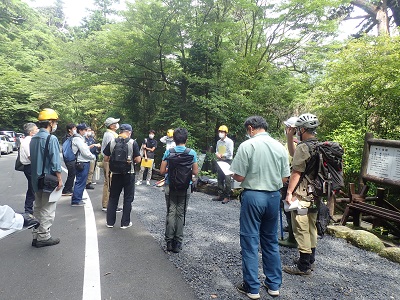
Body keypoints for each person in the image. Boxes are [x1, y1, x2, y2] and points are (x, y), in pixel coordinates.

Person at [230, 116, 290, 299]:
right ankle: (273, 285)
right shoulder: (279, 146)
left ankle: (252, 287)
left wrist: (234, 174)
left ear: (250, 128)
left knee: (249, 242)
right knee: (270, 241)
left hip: (253, 196)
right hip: (273, 197)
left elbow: (238, 177)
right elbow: (285, 178)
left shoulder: (247, 146)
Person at [283, 113, 321, 276]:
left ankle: (303, 266)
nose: (297, 130)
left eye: (298, 129)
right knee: (311, 227)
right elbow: (294, 154)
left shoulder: (304, 147)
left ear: (304, 129)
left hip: (303, 195)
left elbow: (296, 172)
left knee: (301, 229)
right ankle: (310, 260)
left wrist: (289, 192)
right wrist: (290, 137)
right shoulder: (317, 146)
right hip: (316, 194)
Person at [159, 128, 198, 253]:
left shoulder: (169, 152)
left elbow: (161, 171)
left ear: (174, 140)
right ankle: (178, 243)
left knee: (171, 212)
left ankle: (169, 242)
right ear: (186, 140)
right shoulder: (192, 153)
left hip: (170, 186)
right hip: (185, 187)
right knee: (181, 213)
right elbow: (195, 172)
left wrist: (170, 171)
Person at [30, 108, 63, 248]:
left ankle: (36, 235)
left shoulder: (34, 138)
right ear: (50, 122)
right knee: (48, 208)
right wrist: (60, 179)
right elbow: (55, 162)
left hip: (36, 178)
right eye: (54, 122)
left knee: (37, 207)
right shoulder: (51, 138)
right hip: (48, 179)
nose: (55, 125)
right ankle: (44, 237)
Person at [103, 124, 141, 229]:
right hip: (129, 173)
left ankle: (110, 222)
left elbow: (106, 158)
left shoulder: (112, 142)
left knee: (113, 197)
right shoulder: (133, 142)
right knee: (128, 198)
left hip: (115, 174)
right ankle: (125, 223)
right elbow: (138, 160)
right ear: (129, 132)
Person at [279, 116, 299, 249]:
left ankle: (292, 238)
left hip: (290, 181)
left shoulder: (295, 144)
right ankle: (292, 235)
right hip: (289, 179)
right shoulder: (290, 143)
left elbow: (289, 162)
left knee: (290, 209)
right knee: (289, 210)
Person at [71, 123, 96, 206]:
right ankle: (76, 200)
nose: (86, 131)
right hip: (82, 162)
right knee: (80, 181)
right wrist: (92, 157)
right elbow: (84, 151)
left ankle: (78, 197)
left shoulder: (80, 138)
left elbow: (84, 149)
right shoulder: (78, 139)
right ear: (80, 130)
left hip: (82, 161)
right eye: (85, 130)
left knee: (81, 181)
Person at [101, 117, 120, 212]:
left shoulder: (109, 134)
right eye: (115, 123)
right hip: (109, 161)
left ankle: (107, 204)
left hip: (107, 160)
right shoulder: (110, 135)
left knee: (108, 182)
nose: (117, 124)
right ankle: (109, 205)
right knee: (110, 183)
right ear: (112, 126)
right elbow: (111, 149)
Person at [19, 122, 39, 214]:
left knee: (33, 187)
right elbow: (31, 156)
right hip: (30, 167)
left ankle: (29, 208)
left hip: (30, 167)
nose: (38, 130)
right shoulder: (28, 142)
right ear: (31, 132)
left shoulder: (29, 140)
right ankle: (28, 209)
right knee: (32, 188)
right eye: (36, 129)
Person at [212, 125, 234, 204]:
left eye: (222, 132)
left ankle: (227, 196)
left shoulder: (229, 142)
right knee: (220, 178)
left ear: (226, 133)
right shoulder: (218, 142)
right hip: (220, 160)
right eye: (220, 132)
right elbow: (217, 150)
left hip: (227, 161)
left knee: (227, 179)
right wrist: (217, 154)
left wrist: (223, 155)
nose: (220, 133)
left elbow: (230, 153)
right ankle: (220, 195)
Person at [62, 123, 77, 196]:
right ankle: (66, 189)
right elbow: (66, 149)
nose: (75, 130)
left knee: (72, 174)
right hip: (69, 158)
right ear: (69, 130)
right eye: (74, 129)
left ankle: (69, 188)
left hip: (71, 158)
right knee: (71, 174)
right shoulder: (67, 138)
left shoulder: (72, 137)